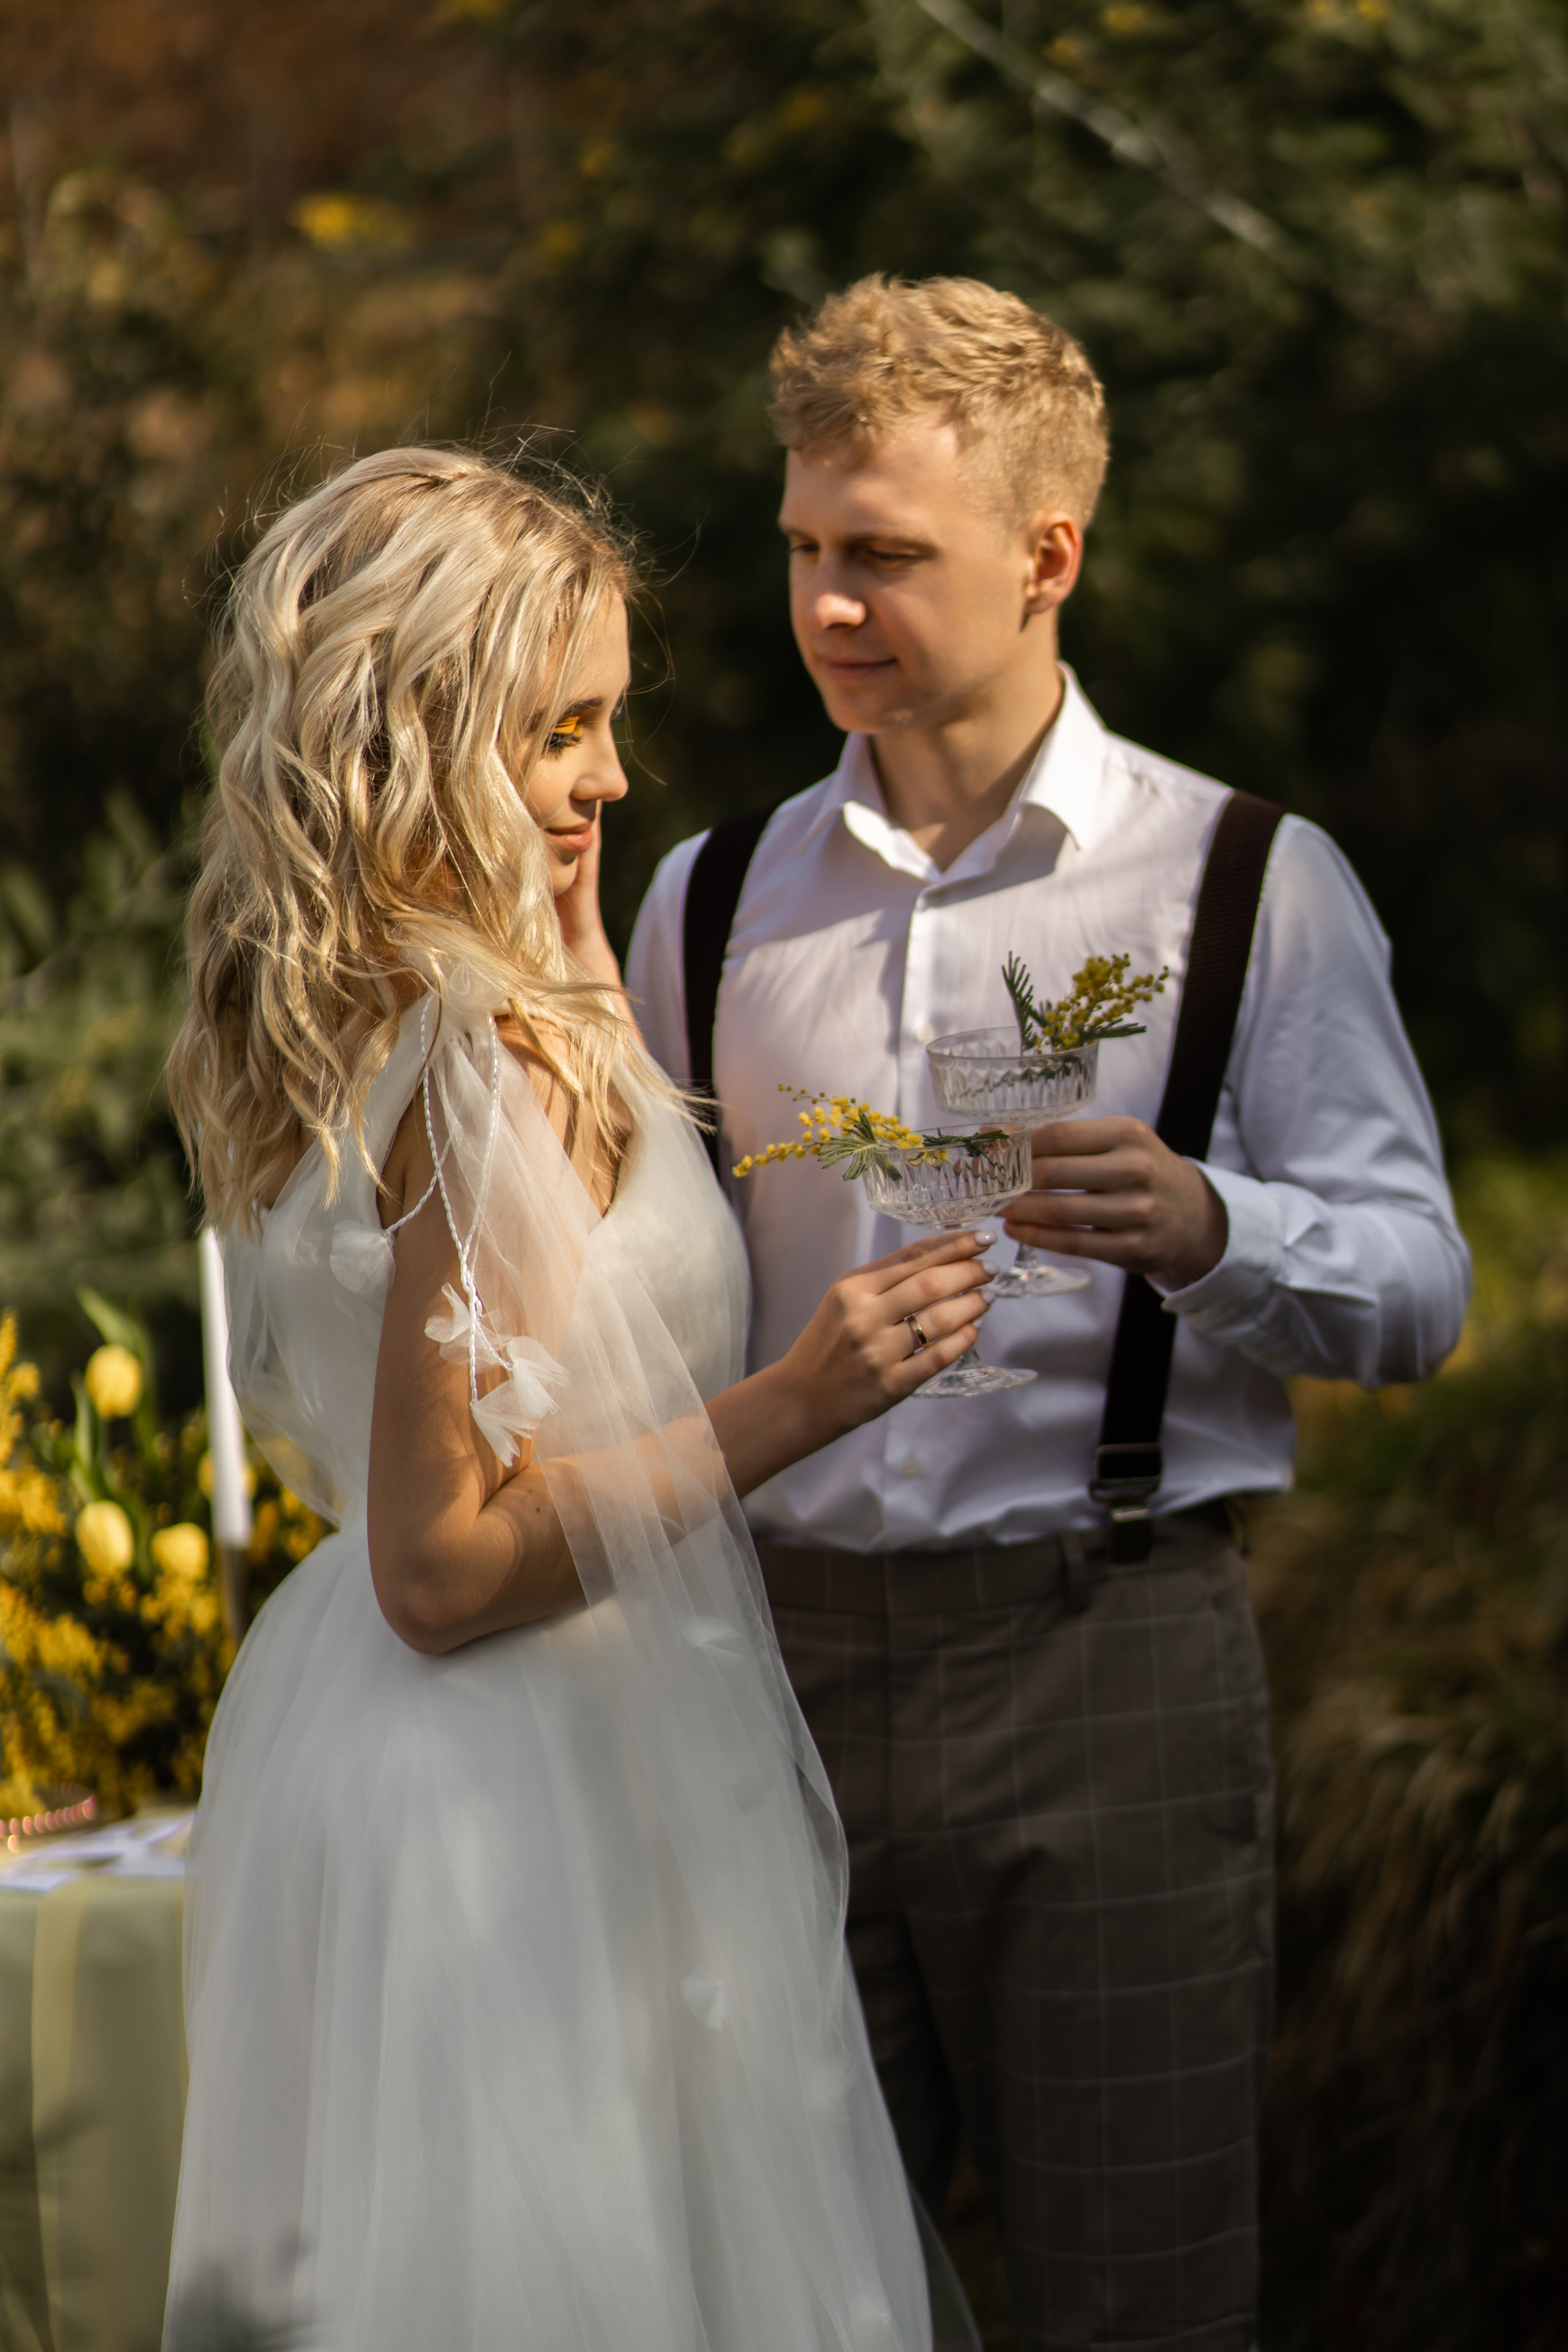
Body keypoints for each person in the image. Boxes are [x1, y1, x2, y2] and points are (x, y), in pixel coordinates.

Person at [625, 276, 1471, 2352]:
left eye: (886, 555)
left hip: (1114, 1669)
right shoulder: (708, 898)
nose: (828, 604)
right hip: (773, 1687)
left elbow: (1423, 1287)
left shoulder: (1246, 883)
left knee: (1141, 2307)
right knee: (789, 2306)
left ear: (1047, 555)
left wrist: (1210, 1226)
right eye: (808, 547)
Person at [160, 444, 995, 2352]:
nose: (616, 775)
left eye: (613, 721)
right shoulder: (487, 1055)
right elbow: (445, 1565)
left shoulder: (334, 1009)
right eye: (565, 731)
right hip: (507, 1783)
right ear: (424, 735)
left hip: (373, 1754)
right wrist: (806, 1394)